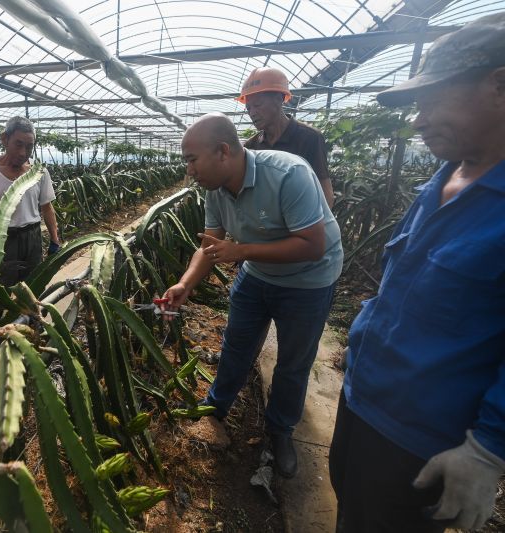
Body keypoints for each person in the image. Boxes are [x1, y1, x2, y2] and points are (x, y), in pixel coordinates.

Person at [329, 13, 505, 532]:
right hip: (361, 398)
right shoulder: (443, 178)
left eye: (432, 101)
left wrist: (489, 448)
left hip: (421, 438)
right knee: (350, 511)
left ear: (500, 85)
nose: (418, 121)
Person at [162, 112, 343, 478]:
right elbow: (211, 247)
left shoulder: (288, 173)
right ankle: (216, 405)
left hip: (308, 281)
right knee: (236, 343)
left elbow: (312, 245)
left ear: (223, 151)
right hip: (257, 274)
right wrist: (185, 284)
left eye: (192, 160)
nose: (189, 171)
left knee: (293, 362)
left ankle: (280, 431)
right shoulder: (215, 191)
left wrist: (241, 251)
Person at [0, 116, 60, 287]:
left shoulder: (38, 171)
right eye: (18, 144)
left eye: (29, 146)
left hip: (33, 236)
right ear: (5, 139)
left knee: (34, 285)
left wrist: (55, 239)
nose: (23, 152)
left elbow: (47, 207)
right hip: (1, 239)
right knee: (2, 287)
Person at [238, 67, 334, 207]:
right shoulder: (252, 146)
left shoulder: (309, 138)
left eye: (257, 105)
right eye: (248, 108)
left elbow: (325, 191)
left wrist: (320, 219)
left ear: (279, 98)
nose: (252, 113)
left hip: (303, 216)